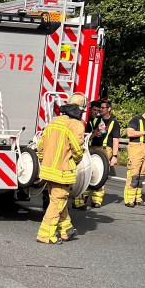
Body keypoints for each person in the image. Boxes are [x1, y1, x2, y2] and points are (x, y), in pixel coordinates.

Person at [35, 93, 87, 244]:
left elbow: (40, 146)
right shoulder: (76, 125)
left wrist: (45, 161)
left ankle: (66, 230)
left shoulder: (54, 121)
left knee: (57, 198)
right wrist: (74, 162)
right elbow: (77, 150)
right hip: (63, 171)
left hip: (48, 170)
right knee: (58, 201)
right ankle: (45, 234)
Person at [124, 102, 145, 206]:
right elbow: (129, 133)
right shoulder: (136, 120)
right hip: (136, 147)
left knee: (142, 175)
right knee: (133, 174)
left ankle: (137, 198)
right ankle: (129, 199)